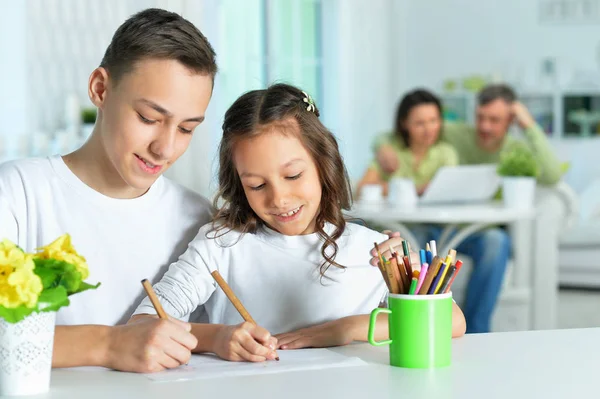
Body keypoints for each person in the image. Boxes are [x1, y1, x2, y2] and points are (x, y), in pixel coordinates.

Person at [131, 83, 466, 363]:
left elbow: (452, 320)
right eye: (257, 186)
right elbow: (143, 323)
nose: (278, 199)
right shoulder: (220, 244)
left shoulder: (370, 250)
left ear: (323, 163)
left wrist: (346, 329)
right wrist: (217, 337)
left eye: (293, 175)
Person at [0, 8, 218, 372]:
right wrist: (109, 344)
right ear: (100, 89)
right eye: (149, 118)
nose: (165, 148)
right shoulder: (18, 193)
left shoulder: (198, 219)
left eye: (186, 129)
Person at [373, 84, 563, 333]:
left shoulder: (516, 149)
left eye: (494, 120)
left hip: (474, 231)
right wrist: (382, 146)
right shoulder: (456, 135)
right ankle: (414, 325)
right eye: (481, 117)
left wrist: (528, 124)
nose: (485, 126)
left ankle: (475, 329)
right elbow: (411, 127)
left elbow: (551, 174)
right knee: (406, 241)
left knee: (497, 242)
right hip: (430, 225)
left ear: (510, 120)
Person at [357, 89, 458, 197]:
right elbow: (363, 189)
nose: (428, 130)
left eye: (433, 120)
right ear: (404, 123)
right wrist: (416, 189)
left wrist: (390, 188)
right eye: (420, 123)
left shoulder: (446, 153)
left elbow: (450, 189)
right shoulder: (389, 152)